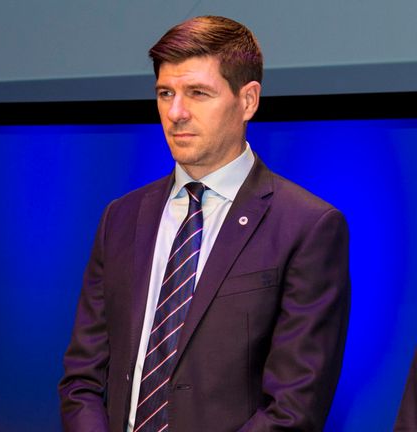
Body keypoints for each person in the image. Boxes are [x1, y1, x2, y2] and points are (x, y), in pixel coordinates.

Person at [59, 16, 350, 431]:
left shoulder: (308, 226)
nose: (176, 113)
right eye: (165, 93)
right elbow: (81, 379)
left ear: (248, 100)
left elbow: (294, 407)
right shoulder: (121, 217)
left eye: (197, 93)